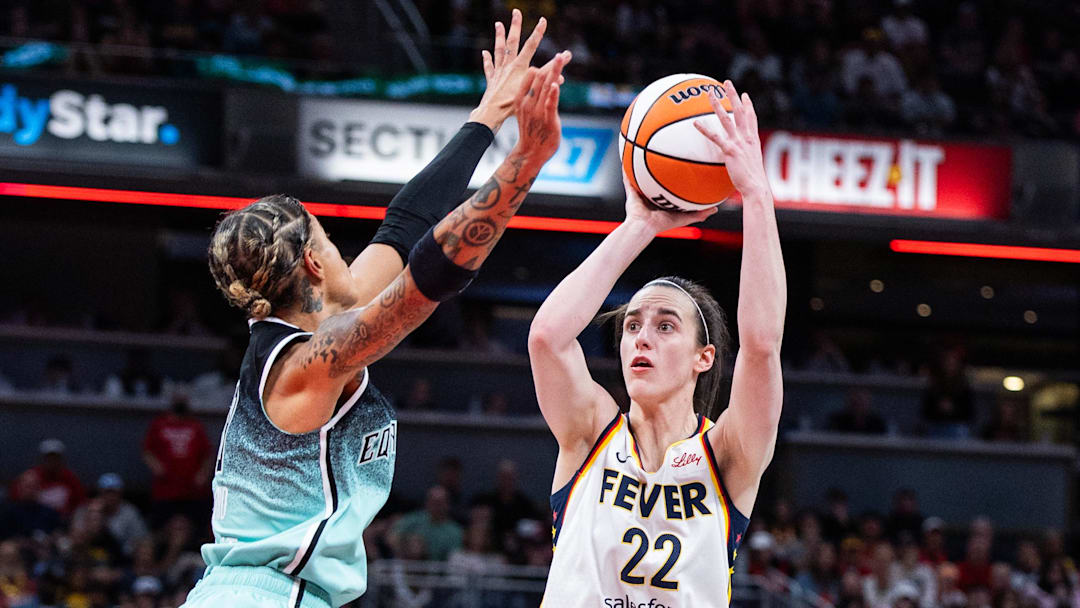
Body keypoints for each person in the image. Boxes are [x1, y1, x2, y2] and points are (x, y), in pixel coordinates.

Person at [181, 11, 569, 608]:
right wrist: (522, 168)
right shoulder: (306, 364)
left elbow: (406, 226)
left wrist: (487, 117)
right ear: (313, 264)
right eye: (328, 237)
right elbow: (422, 283)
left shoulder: (311, 328)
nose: (346, 250)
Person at [530, 80, 785, 606]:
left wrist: (757, 195)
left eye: (666, 325)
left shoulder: (727, 454)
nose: (642, 336)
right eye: (632, 325)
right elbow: (547, 338)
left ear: (704, 357)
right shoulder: (589, 433)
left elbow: (761, 346)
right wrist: (639, 225)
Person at [142, 393, 213, 526]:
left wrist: (203, 474)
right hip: (166, 488)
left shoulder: (195, 426)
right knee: (161, 525)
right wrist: (157, 467)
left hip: (192, 489)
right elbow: (147, 451)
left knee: (196, 526)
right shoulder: (159, 424)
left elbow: (207, 454)